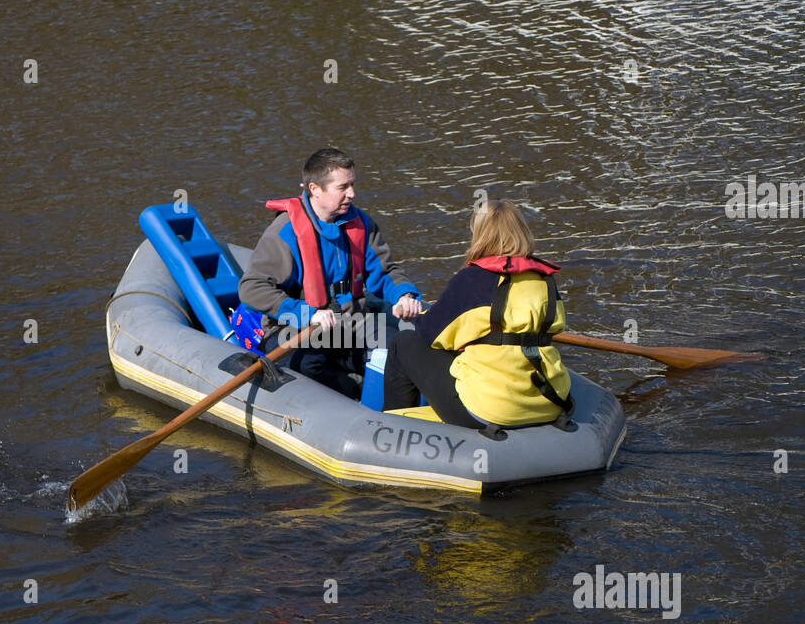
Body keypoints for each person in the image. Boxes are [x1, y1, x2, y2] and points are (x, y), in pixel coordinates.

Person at [237, 148, 422, 397]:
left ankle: (380, 396)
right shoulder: (284, 232)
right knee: (305, 366)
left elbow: (385, 272)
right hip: (297, 326)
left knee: (393, 349)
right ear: (315, 189)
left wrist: (403, 294)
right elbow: (251, 287)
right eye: (343, 187)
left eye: (352, 184)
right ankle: (351, 390)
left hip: (352, 319)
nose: (352, 194)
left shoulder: (362, 224)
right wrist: (306, 314)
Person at [382, 199, 572, 430]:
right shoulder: (545, 280)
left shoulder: (472, 279)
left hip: (491, 409)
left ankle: (389, 429)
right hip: (549, 402)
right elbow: (554, 326)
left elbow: (430, 335)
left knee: (403, 343)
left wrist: (420, 316)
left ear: (481, 235)